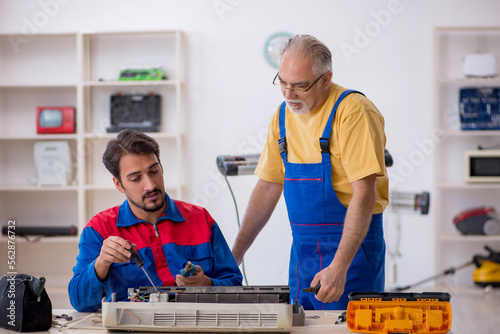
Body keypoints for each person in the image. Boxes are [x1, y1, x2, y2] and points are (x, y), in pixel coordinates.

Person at [232, 35, 389, 310]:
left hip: (353, 251)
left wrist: (339, 266)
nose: (288, 95)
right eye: (282, 83)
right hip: (302, 253)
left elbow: (364, 192)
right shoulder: (281, 117)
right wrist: (234, 256)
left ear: (326, 79)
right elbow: (268, 187)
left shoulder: (352, 112)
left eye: (300, 86)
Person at [69, 129, 242, 312]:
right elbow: (80, 303)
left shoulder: (201, 219)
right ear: (119, 184)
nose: (150, 185)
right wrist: (101, 263)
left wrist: (206, 284)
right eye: (136, 179)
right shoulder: (99, 229)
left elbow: (236, 286)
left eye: (154, 171)